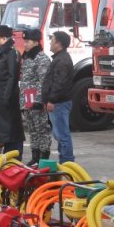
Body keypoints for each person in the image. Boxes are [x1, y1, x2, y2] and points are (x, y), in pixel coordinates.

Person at [0, 25, 25, 157]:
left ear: (4, 38)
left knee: (10, 127)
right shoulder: (2, 52)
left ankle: (14, 154)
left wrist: (6, 96)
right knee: (2, 128)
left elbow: (12, 76)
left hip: (6, 95)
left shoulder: (11, 52)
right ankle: (7, 153)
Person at [41, 31, 75, 163]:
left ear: (59, 44)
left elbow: (59, 83)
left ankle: (67, 163)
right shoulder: (59, 58)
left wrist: (52, 100)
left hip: (59, 103)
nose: (50, 42)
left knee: (63, 135)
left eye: (52, 40)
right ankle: (65, 162)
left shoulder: (62, 61)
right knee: (59, 135)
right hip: (57, 103)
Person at [19, 29, 52, 165]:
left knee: (41, 130)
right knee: (32, 130)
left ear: (35, 42)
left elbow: (43, 81)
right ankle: (35, 155)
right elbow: (26, 81)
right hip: (27, 100)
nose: (25, 44)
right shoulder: (27, 57)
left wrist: (39, 100)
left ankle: (43, 157)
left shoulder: (41, 58)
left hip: (36, 101)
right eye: (25, 41)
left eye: (27, 42)